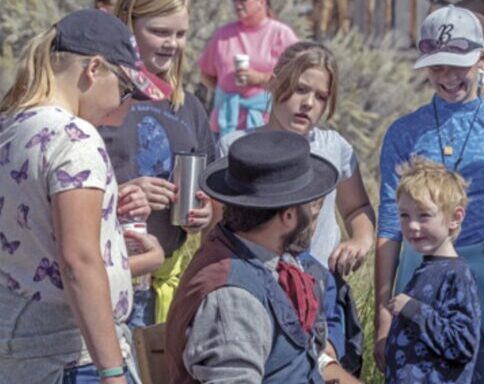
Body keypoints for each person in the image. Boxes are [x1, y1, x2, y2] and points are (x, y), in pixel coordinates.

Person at [0, 9, 165, 382]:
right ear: (93, 69)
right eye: (124, 89)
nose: (123, 108)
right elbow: (78, 260)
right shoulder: (75, 138)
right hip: (73, 357)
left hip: (20, 350)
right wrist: (112, 371)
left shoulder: (11, 127)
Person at [375, 6, 484, 383]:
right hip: (419, 273)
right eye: (436, 66)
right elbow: (389, 225)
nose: (447, 77)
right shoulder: (404, 132)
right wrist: (383, 317)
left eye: (457, 64)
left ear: (481, 59)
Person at [218, 41, 374, 367]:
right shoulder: (237, 148)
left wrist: (360, 240)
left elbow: (356, 209)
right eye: (300, 89)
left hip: (320, 293)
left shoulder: (333, 150)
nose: (308, 104)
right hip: (251, 290)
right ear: (274, 82)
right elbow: (217, 229)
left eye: (320, 97)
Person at [165, 130, 360, 383]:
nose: (315, 214)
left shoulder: (273, 260)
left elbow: (307, 356)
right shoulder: (234, 298)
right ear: (288, 217)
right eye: (310, 204)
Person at [97, 0, 218, 328]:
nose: (172, 43)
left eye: (181, 34)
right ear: (128, 27)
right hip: (105, 277)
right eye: (160, 32)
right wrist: (123, 194)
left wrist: (201, 216)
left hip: (164, 283)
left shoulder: (188, 106)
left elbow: (213, 197)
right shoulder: (101, 98)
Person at [384, 157, 481, 384]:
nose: (412, 225)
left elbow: (462, 343)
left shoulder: (457, 275)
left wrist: (412, 309)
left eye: (424, 215)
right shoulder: (426, 269)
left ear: (455, 218)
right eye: (404, 215)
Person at [198, 0, 299, 138]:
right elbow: (207, 75)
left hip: (267, 126)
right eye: (234, 1)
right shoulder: (223, 35)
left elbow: (297, 81)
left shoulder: (282, 35)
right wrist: (228, 90)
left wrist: (260, 79)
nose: (237, 4)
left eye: (243, 0)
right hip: (224, 126)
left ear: (261, 2)